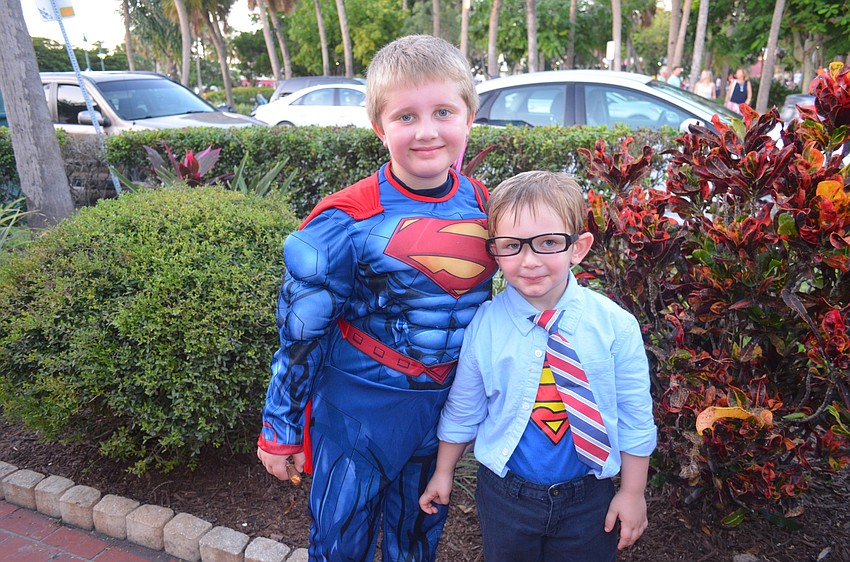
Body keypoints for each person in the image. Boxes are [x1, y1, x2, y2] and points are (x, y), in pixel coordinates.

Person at [257, 34, 497, 562]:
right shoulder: (344, 219)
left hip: (442, 415)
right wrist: (281, 428)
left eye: (443, 111)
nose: (427, 131)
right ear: (379, 128)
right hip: (357, 412)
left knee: (417, 542)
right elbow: (301, 333)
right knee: (339, 541)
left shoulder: (484, 204)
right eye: (406, 117)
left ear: (468, 118)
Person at [419, 171, 657, 561]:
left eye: (548, 243)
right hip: (506, 494)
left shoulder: (615, 325)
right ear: (494, 251)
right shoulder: (485, 325)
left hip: (589, 497)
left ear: (578, 248)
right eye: (512, 246)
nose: (529, 261)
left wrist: (632, 493)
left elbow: (635, 416)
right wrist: (444, 471)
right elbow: (465, 406)